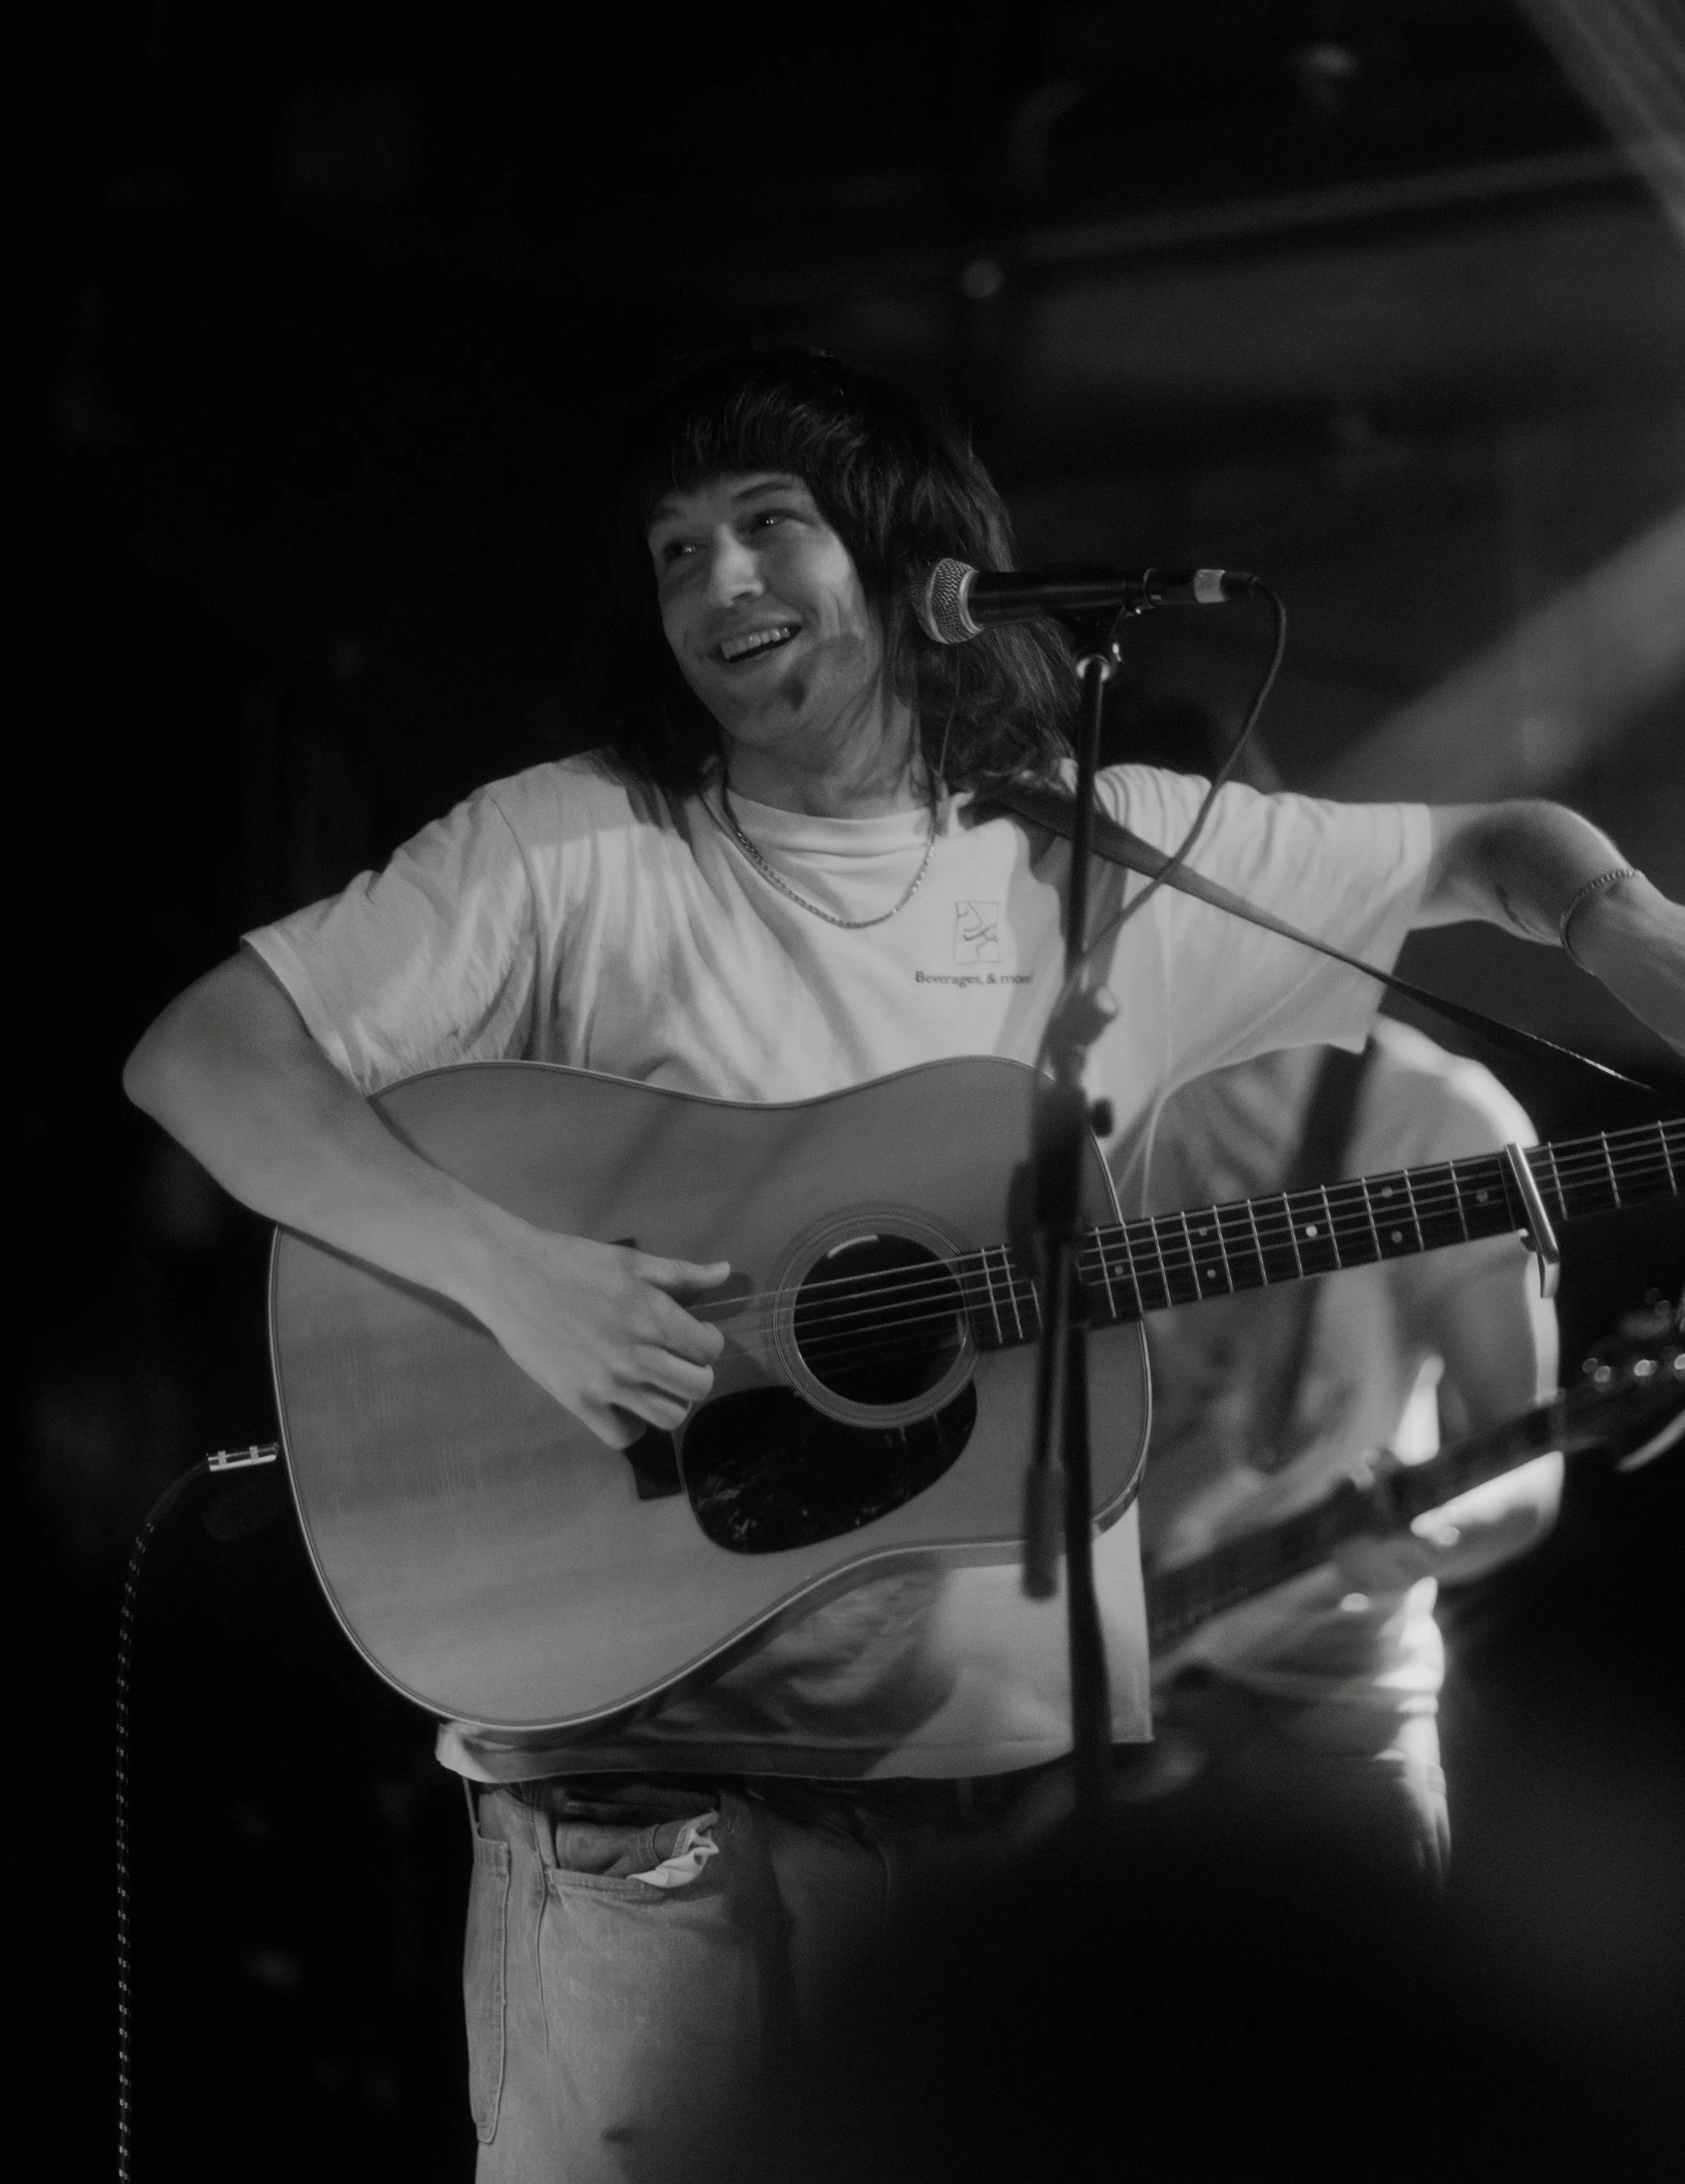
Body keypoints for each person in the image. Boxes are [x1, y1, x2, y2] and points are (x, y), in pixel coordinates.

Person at [123, 349, 1685, 2182]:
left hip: (1001, 1812)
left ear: (911, 558)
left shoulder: (1088, 856)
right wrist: (508, 1275)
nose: (717, 586)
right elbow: (203, 1056)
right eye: (675, 550)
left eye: (768, 525)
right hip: (646, 1793)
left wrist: (1625, 928)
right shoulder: (573, 843)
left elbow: (1504, 850)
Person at [1102, 698, 1562, 1879]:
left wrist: (1425, 1529)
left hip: (1330, 1731)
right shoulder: (1049, 1115)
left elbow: (1527, 1464)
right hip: (1058, 1726)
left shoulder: (1437, 1122)